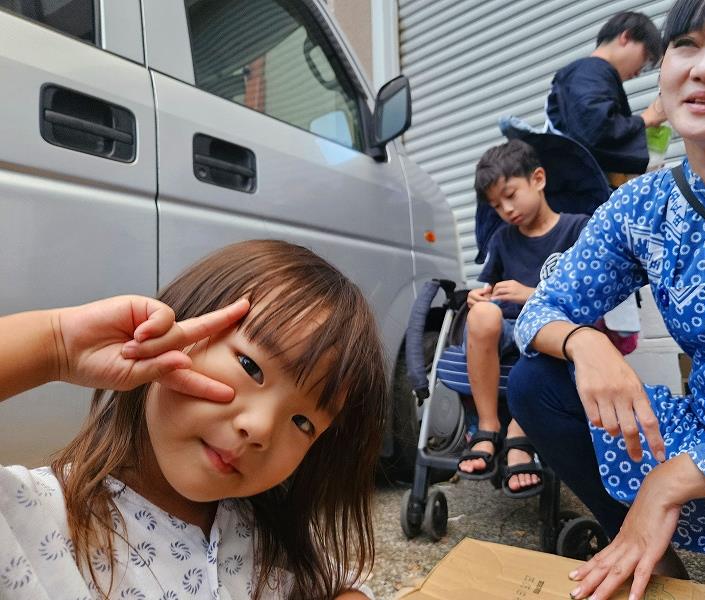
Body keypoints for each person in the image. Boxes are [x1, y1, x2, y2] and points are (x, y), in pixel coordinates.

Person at [508, 1, 705, 599]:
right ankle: (647, 560)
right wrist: (584, 342)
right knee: (538, 381)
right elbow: (541, 309)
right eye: (687, 45)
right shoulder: (644, 205)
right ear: (664, 67)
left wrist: (671, 480)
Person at [0, 240, 386, 600]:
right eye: (250, 366)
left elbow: (345, 584)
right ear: (181, 326)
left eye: (303, 422)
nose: (261, 428)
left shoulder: (263, 532)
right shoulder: (35, 515)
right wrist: (56, 344)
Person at [456, 139, 589, 498]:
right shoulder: (502, 239)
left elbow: (588, 296)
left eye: (511, 195)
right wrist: (478, 297)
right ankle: (487, 426)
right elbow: (488, 289)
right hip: (507, 329)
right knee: (481, 314)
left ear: (538, 179)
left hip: (553, 327)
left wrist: (532, 294)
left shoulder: (577, 229)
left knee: (551, 324)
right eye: (496, 206)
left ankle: (520, 432)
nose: (506, 210)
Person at [545, 11, 667, 186]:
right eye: (646, 58)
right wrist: (645, 119)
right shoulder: (589, 71)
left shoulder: (590, 73)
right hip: (576, 191)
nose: (640, 71)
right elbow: (596, 128)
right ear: (626, 37)